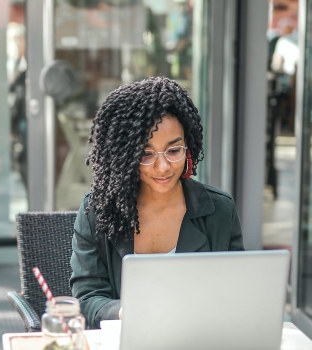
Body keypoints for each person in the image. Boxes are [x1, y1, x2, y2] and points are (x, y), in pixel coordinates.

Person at [69, 77, 245, 329]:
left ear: (189, 147)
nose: (162, 167)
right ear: (125, 156)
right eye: (146, 154)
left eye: (174, 151)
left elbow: (236, 295)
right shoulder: (97, 212)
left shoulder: (219, 211)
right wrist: (123, 311)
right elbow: (87, 299)